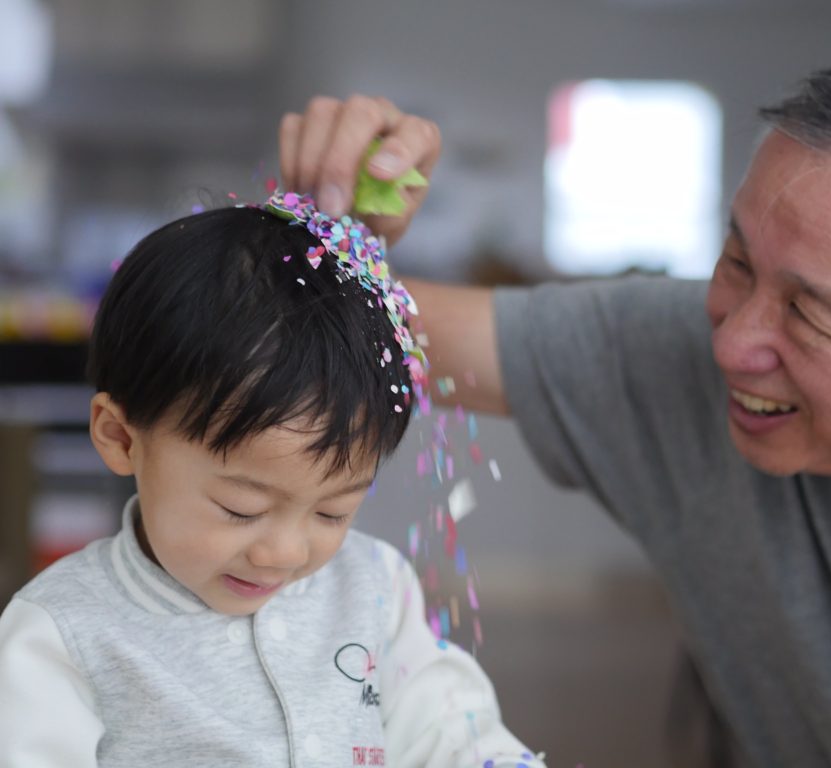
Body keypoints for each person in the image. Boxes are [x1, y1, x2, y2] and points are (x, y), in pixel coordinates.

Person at [277, 51, 831, 766]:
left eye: (808, 312)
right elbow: (348, 327)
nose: (733, 345)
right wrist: (334, 229)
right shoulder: (678, 359)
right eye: (735, 262)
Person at [0, 194, 544, 768]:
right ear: (122, 437)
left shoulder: (374, 587)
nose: (284, 552)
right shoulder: (62, 632)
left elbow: (450, 734)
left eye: (333, 512)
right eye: (241, 508)